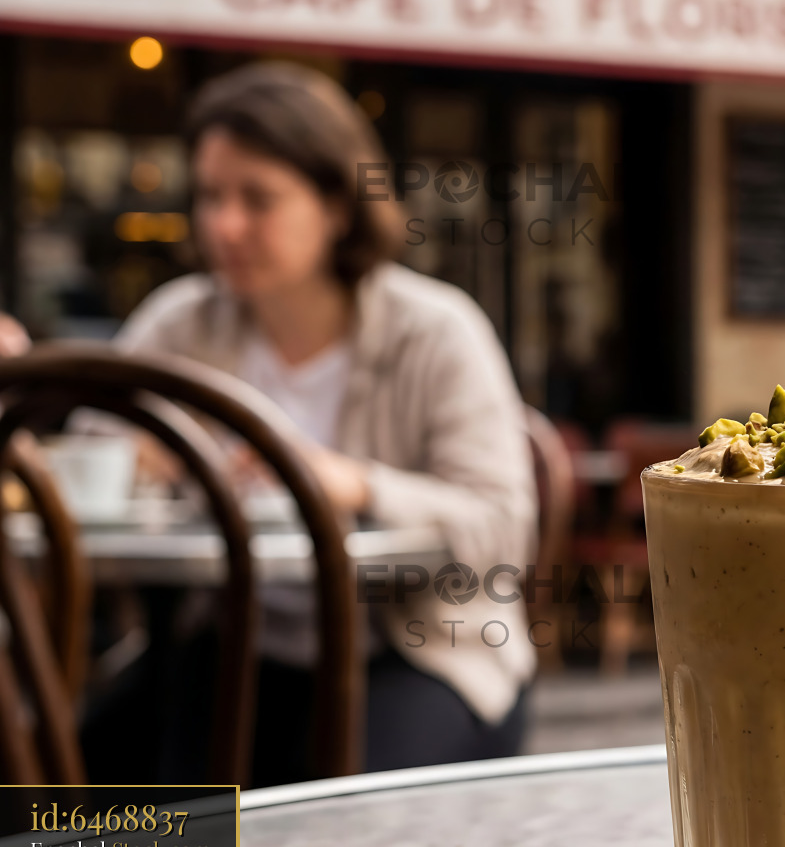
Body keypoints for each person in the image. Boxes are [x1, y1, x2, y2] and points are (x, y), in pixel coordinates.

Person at [82, 63, 537, 785]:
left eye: (257, 199)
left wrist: (356, 484)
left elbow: (504, 524)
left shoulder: (434, 331)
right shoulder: (182, 322)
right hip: (232, 644)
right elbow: (88, 451)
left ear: (337, 206)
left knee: (334, 818)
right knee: (49, 792)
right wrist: (142, 459)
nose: (224, 224)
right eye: (210, 196)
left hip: (417, 648)